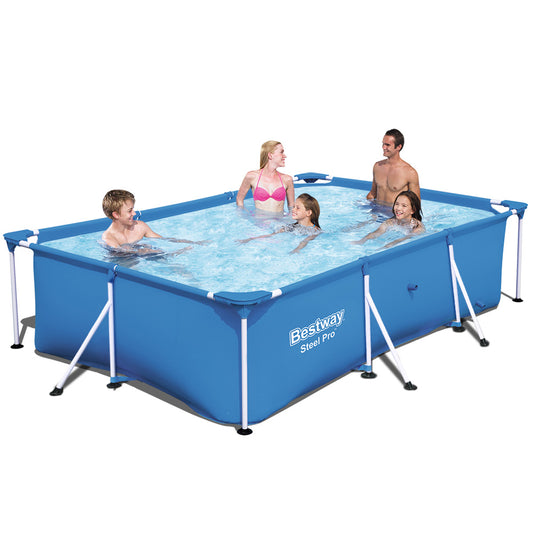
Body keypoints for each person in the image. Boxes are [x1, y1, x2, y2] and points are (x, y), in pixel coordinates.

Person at [101, 189, 207, 253]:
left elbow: (164, 239)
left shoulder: (139, 227)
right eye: (130, 211)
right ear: (116, 215)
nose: (134, 213)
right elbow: (126, 254)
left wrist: (194, 243)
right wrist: (171, 253)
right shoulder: (109, 238)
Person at [237, 193, 320, 254]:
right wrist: (250, 239)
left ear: (308, 212)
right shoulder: (291, 227)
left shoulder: (315, 230)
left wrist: (296, 249)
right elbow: (271, 235)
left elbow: (304, 241)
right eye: (294, 206)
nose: (293, 209)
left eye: (297, 208)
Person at [236, 140, 295, 213]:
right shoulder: (252, 176)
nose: (285, 156)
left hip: (280, 219)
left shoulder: (287, 179)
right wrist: (244, 216)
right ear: (270, 155)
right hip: (259, 219)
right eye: (281, 152)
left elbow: (291, 207)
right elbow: (239, 200)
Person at [352, 190, 425, 248]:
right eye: (397, 204)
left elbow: (405, 239)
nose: (398, 208)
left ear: (412, 210)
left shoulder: (417, 227)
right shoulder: (391, 222)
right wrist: (362, 241)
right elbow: (377, 233)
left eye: (404, 206)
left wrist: (387, 246)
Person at [367, 129, 421, 207]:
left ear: (398, 147)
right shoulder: (378, 166)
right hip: (376, 211)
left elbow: (416, 203)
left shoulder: (409, 172)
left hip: (394, 213)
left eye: (387, 145)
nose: (383, 147)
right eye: (383, 144)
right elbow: (373, 193)